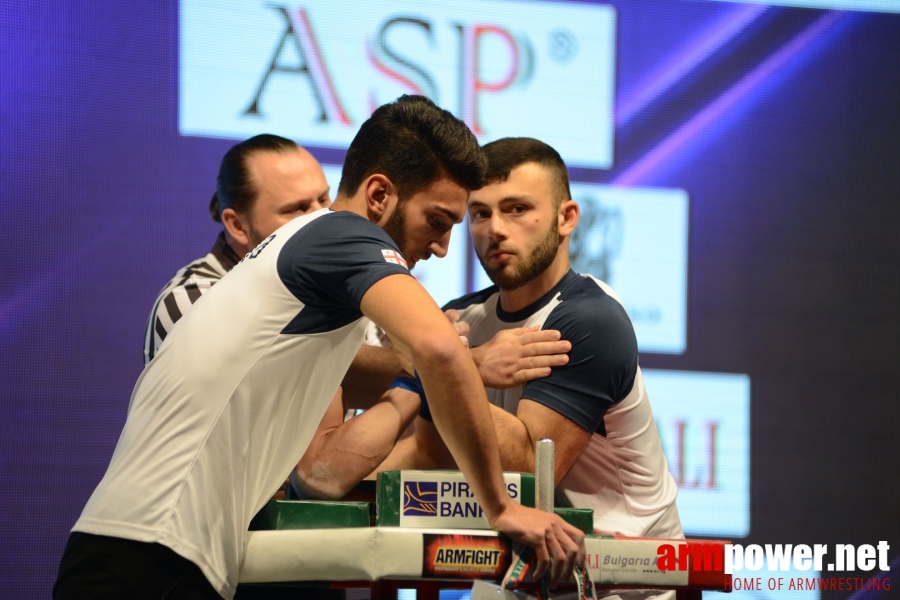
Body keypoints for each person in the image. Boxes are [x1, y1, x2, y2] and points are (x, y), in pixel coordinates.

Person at [55, 98, 585, 600]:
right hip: (150, 557)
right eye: (438, 220)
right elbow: (438, 351)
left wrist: (429, 369)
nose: (443, 246)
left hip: (142, 551)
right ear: (378, 196)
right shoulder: (342, 236)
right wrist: (500, 507)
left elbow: (367, 375)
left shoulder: (303, 260)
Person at [378, 137, 682, 598]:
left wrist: (446, 367)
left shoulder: (590, 320)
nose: (495, 229)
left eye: (517, 209)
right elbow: (427, 453)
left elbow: (528, 474)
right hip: (525, 570)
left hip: (623, 576)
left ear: (567, 218)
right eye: (480, 214)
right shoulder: (459, 318)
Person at [143, 134, 332, 366]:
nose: (323, 218)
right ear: (238, 225)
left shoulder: (328, 283)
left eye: (323, 199)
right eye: (297, 209)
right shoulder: (193, 301)